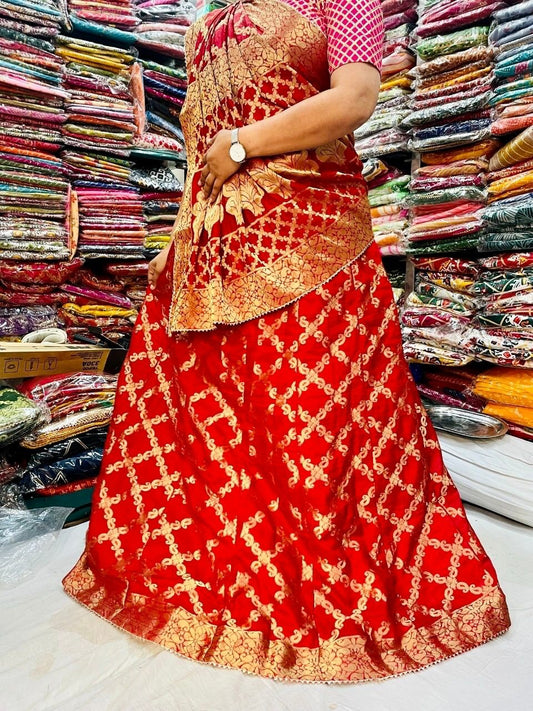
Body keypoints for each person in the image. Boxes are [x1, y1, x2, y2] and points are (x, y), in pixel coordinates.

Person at [63, 0, 510, 683]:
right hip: (217, 250)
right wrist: (180, 236)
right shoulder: (212, 17)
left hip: (312, 242)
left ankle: (323, 599)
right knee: (220, 427)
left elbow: (355, 99)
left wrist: (244, 143)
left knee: (314, 427)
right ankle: (235, 580)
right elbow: (198, 143)